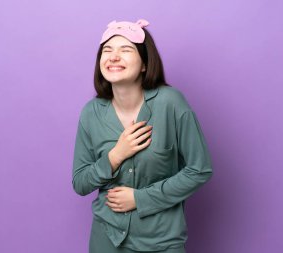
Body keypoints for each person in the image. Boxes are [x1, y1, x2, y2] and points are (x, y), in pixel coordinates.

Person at [72, 19, 213, 253]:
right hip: (107, 238)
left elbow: (200, 169)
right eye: (107, 50)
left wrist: (141, 199)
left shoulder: (171, 103)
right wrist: (115, 156)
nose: (113, 56)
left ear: (145, 64)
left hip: (161, 241)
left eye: (125, 50)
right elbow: (80, 183)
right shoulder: (90, 113)